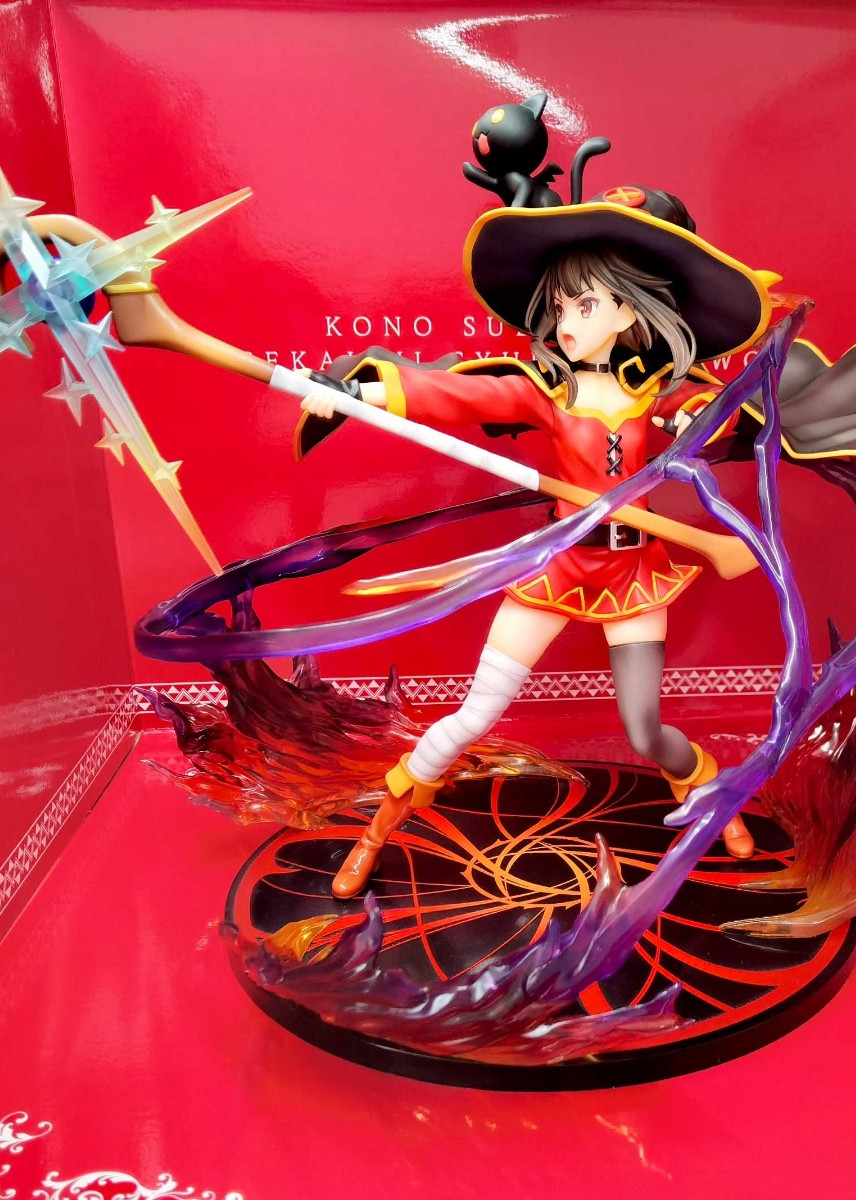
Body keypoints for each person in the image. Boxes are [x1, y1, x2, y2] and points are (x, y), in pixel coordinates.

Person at [297, 187, 775, 898]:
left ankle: (714, 796)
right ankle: (375, 834)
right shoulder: (545, 394)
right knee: (475, 715)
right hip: (558, 567)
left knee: (644, 730)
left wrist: (702, 423)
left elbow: (726, 415)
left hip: (634, 575)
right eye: (560, 307)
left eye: (585, 305)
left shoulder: (662, 395)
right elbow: (457, 398)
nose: (567, 322)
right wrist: (354, 396)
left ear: (628, 311)